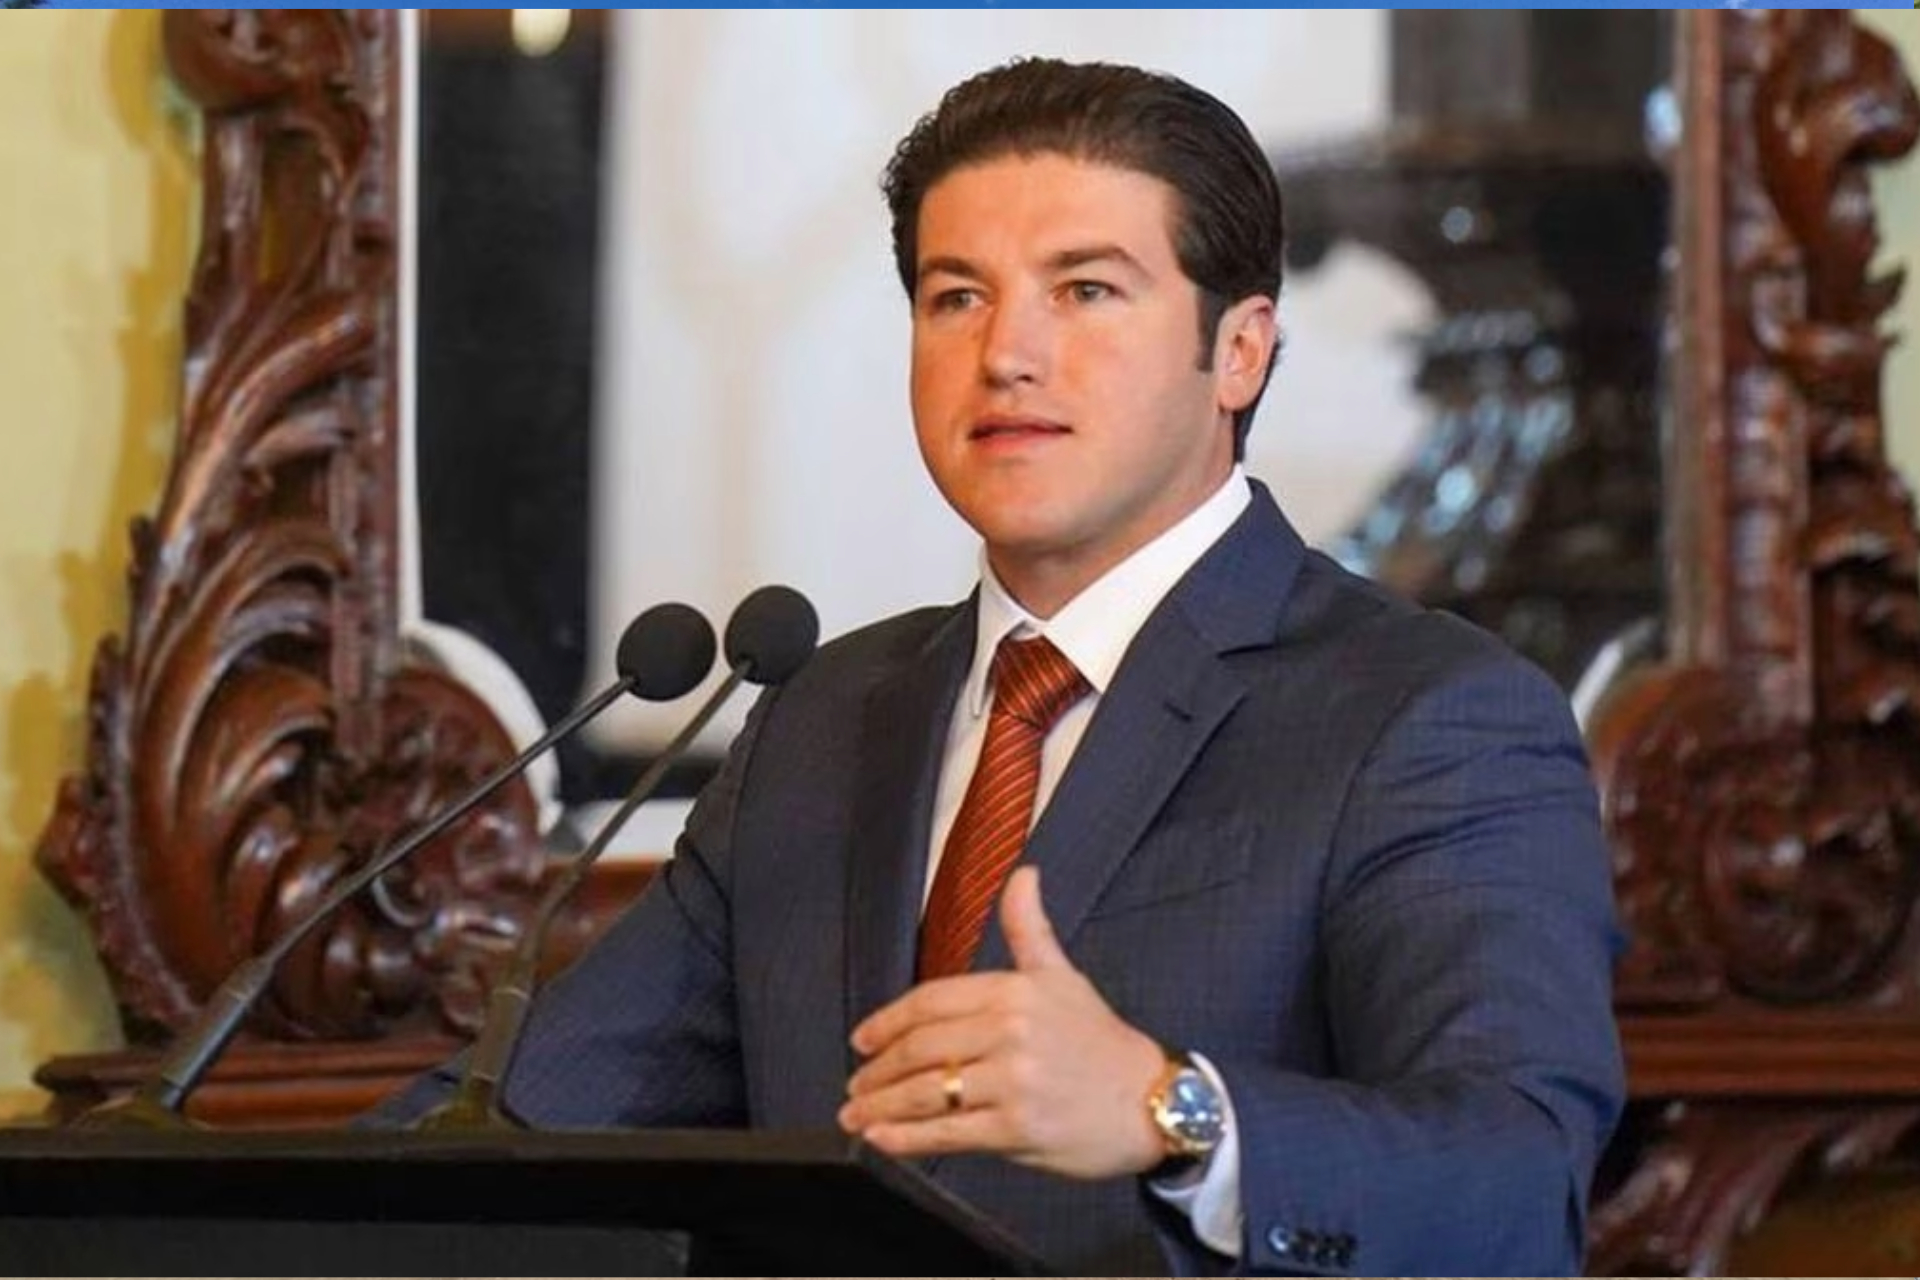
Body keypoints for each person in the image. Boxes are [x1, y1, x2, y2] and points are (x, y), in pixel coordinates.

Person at [379, 57, 1624, 1276]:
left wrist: (1169, 1108)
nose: (1007, 353)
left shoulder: (1428, 713)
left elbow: (1513, 1179)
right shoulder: (825, 716)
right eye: (956, 296)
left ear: (1240, 351)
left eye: (1085, 290)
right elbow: (525, 1125)